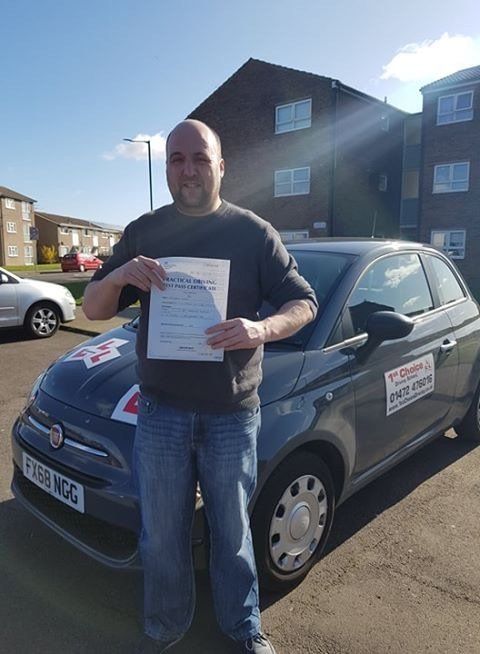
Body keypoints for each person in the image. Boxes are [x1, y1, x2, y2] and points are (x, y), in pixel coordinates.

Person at [83, 119, 317, 654]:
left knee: (232, 533)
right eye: (177, 159)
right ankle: (164, 626)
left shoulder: (254, 233)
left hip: (231, 414)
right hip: (161, 413)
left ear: (221, 166)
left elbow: (303, 302)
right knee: (161, 534)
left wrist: (260, 328)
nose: (188, 170)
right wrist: (119, 276)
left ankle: (243, 626)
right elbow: (93, 308)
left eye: (200, 158)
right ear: (167, 167)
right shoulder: (144, 232)